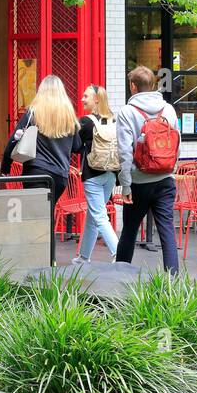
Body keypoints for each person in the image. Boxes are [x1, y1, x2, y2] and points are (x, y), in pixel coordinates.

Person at [115, 66, 180, 273]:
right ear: (152, 85)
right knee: (167, 232)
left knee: (129, 232)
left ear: (133, 87)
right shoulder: (168, 109)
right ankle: (174, 284)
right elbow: (178, 143)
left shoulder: (127, 112)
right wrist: (170, 169)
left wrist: (125, 186)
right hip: (165, 180)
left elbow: (125, 152)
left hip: (138, 183)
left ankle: (119, 279)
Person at [0, 74, 82, 206]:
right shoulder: (68, 115)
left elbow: (14, 139)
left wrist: (5, 167)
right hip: (60, 175)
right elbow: (77, 146)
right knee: (49, 214)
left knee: (36, 216)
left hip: (36, 172)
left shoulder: (33, 112)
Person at [73, 84, 120, 264]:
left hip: (92, 175)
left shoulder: (86, 122)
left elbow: (76, 147)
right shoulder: (114, 120)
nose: (82, 99)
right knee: (94, 215)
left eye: (86, 96)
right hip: (111, 174)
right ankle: (83, 257)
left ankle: (119, 253)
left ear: (96, 100)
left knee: (99, 215)